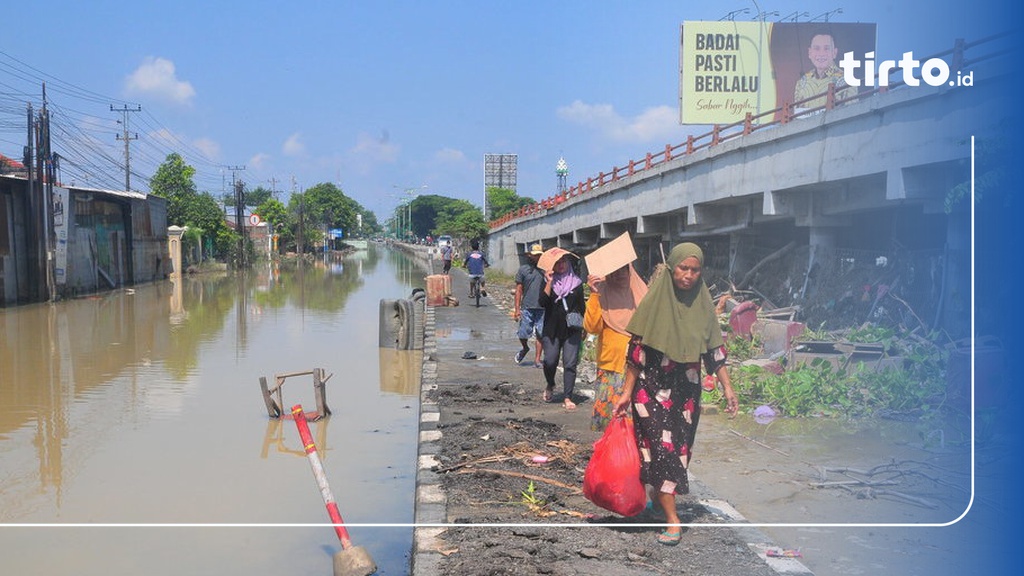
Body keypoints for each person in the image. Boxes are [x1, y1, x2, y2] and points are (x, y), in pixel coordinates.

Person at [612, 243, 738, 546]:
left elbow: (714, 350)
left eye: (695, 270)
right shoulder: (655, 302)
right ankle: (673, 519)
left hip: (686, 391)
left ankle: (657, 501)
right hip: (650, 389)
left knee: (679, 450)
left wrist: (728, 387)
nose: (689, 275)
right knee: (661, 450)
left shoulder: (703, 303)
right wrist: (626, 392)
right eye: (683, 268)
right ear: (671, 268)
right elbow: (636, 354)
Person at [584, 247, 648, 432]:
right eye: (614, 270)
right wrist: (594, 294)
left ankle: (631, 460)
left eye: (623, 269)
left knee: (634, 424)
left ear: (630, 270)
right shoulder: (601, 293)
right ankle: (610, 459)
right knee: (610, 422)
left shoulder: (641, 294)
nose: (619, 274)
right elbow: (592, 328)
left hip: (637, 370)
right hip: (610, 369)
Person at [538, 247, 586, 411]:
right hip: (551, 329)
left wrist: (584, 327)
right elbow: (542, 302)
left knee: (570, 363)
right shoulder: (546, 282)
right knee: (550, 360)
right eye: (557, 262)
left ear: (568, 263)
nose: (561, 265)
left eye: (563, 261)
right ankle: (550, 384)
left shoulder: (577, 283)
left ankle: (567, 396)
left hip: (572, 329)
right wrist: (550, 282)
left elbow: (582, 307)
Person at [793, 31, 855, 111]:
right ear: (810, 52)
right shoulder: (802, 82)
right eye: (817, 48)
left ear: (834, 52)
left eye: (827, 48)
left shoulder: (847, 80)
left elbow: (852, 114)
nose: (821, 54)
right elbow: (797, 116)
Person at [513, 244, 546, 367]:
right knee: (523, 333)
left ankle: (537, 359)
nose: (537, 257)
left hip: (542, 307)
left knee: (540, 334)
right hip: (527, 306)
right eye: (535, 255)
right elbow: (518, 290)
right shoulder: (523, 270)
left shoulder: (546, 270)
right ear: (529, 255)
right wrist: (517, 308)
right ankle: (525, 348)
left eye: (539, 255)